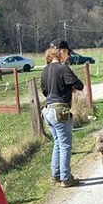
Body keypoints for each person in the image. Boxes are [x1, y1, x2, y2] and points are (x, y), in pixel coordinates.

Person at [41, 38, 84, 187]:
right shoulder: (63, 68)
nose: (68, 57)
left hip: (47, 111)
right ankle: (66, 178)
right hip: (60, 111)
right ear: (61, 52)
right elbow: (79, 84)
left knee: (57, 143)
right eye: (67, 53)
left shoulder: (45, 70)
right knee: (65, 145)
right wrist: (70, 88)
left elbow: (45, 91)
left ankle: (56, 174)